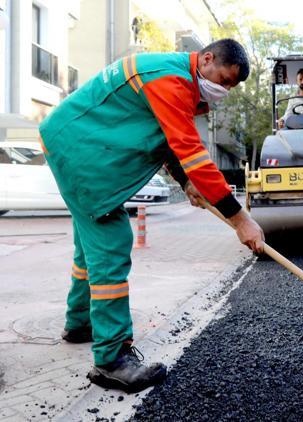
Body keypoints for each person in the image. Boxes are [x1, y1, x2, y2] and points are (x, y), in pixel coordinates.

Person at [38, 38, 264, 393]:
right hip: (79, 150)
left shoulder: (179, 80)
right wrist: (241, 220)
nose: (225, 90)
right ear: (206, 59)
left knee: (89, 246)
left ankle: (79, 323)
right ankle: (111, 360)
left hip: (73, 141)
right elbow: (191, 151)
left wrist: (186, 181)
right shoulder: (169, 80)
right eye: (224, 80)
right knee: (111, 242)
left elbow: (167, 139)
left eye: (231, 87)